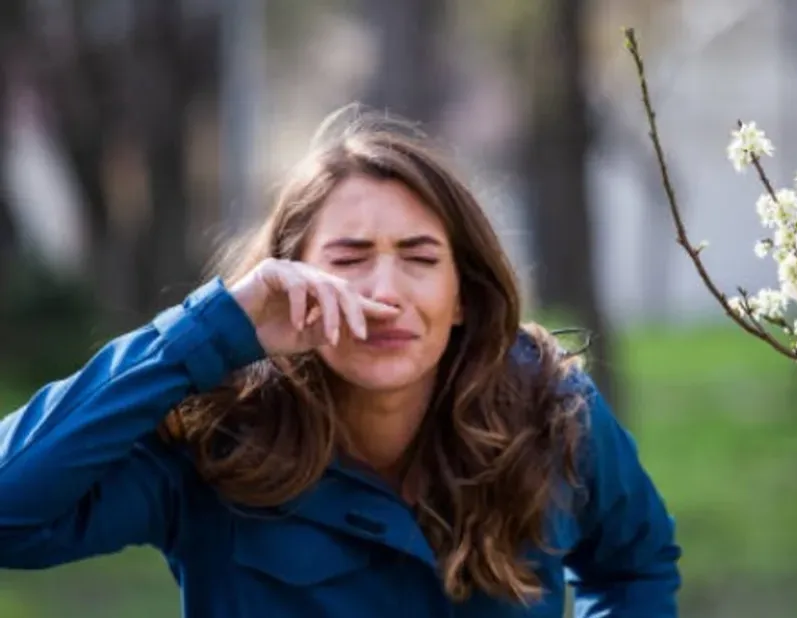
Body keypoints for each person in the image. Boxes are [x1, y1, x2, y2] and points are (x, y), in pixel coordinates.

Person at [0, 104, 681, 617]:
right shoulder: (216, 435)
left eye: (419, 260)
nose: (383, 294)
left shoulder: (548, 409)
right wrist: (207, 333)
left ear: (463, 297)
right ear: (287, 285)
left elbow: (635, 565)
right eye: (348, 260)